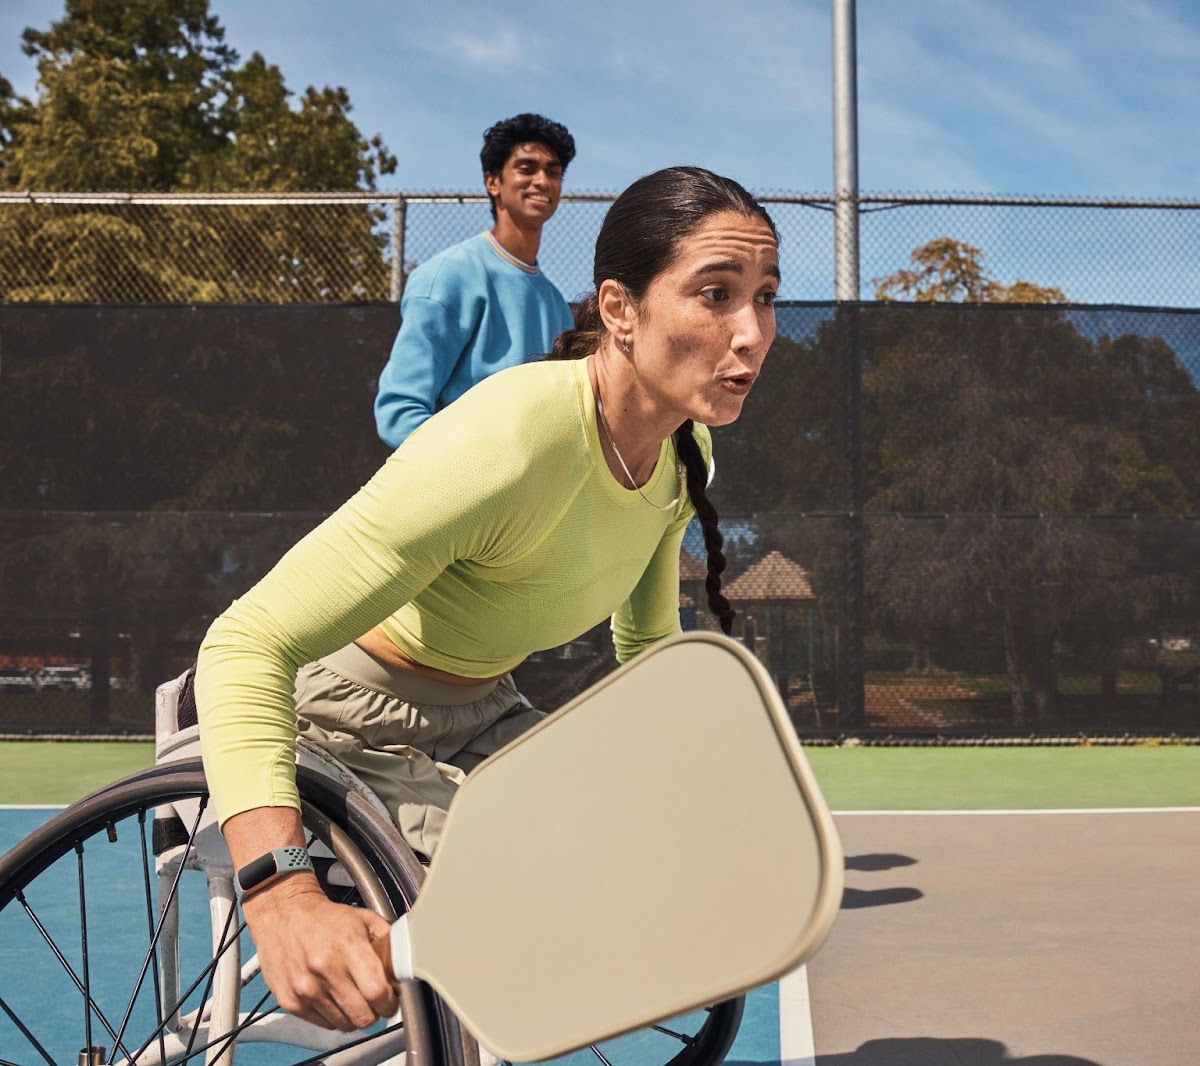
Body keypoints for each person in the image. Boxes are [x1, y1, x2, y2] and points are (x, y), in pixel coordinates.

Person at [195, 166, 780, 1031]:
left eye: (766, 297)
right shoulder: (509, 439)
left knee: (637, 872)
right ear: (619, 310)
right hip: (340, 718)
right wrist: (279, 892)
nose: (753, 334)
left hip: (483, 714)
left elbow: (648, 643)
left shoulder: (685, 451)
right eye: (716, 294)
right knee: (523, 903)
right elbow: (245, 642)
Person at [373, 113, 577, 449]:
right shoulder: (446, 277)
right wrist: (477, 469)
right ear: (493, 182)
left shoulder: (556, 304)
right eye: (527, 168)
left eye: (552, 172)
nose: (542, 181)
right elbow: (399, 413)